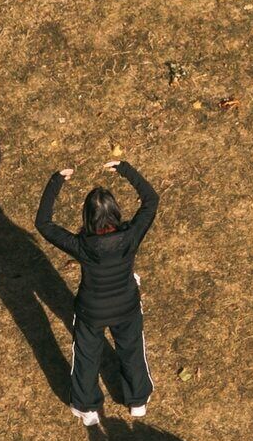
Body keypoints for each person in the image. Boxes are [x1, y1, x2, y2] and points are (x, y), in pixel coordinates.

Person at [35, 160, 161, 426]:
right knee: (132, 350)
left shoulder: (81, 246)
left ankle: (87, 408)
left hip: (91, 311)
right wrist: (126, 170)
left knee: (86, 357)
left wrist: (56, 180)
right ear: (115, 213)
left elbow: (44, 223)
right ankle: (137, 401)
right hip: (127, 306)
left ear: (87, 218)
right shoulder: (131, 236)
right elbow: (151, 201)